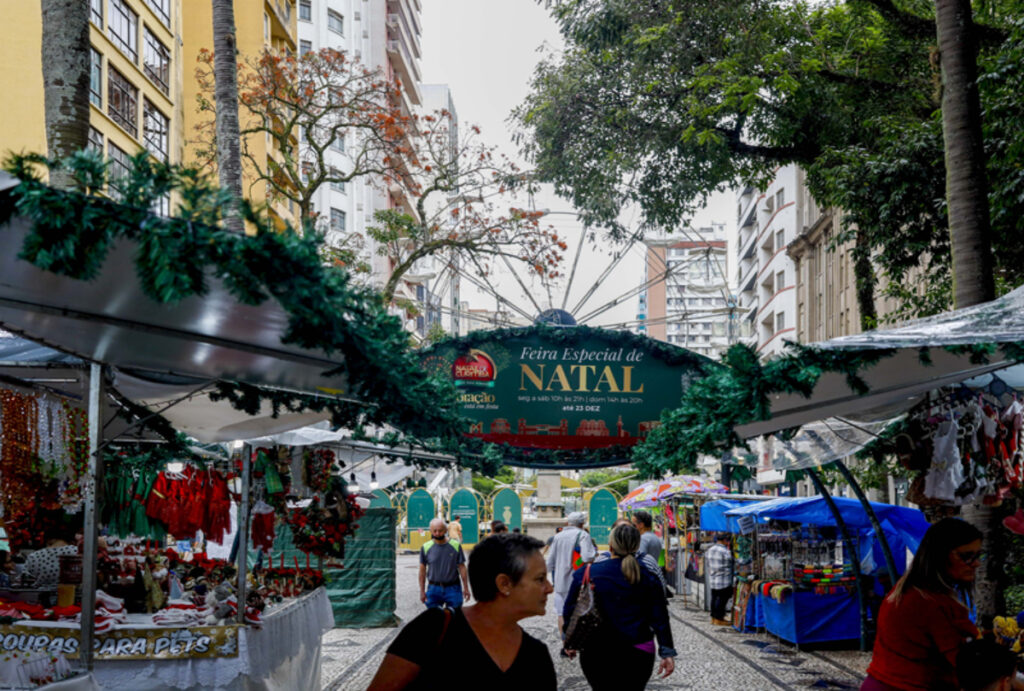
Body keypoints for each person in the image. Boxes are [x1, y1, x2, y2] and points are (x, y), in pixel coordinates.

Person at [367, 533, 557, 690]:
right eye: (540, 579)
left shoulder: (536, 654)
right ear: (504, 584)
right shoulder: (434, 628)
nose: (549, 588)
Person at [862, 517, 985, 691]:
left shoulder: (909, 589)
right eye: (966, 556)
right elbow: (972, 668)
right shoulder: (932, 603)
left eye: (978, 555)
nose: (976, 563)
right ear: (940, 556)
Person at [563, 523, 676, 690]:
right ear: (637, 546)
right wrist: (666, 651)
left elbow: (570, 610)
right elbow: (660, 617)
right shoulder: (648, 577)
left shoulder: (586, 574)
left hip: (596, 650)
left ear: (610, 546)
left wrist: (569, 641)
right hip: (639, 649)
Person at [546, 512, 596, 635]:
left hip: (560, 583)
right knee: (578, 612)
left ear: (568, 522)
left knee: (561, 613)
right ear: (582, 523)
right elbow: (587, 557)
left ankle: (564, 643)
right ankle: (575, 642)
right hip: (578, 582)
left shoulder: (558, 536)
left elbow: (550, 562)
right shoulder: (583, 535)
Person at [419, 518, 470, 609]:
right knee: (434, 619)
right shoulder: (426, 547)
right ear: (430, 530)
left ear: (446, 530)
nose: (437, 533)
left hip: (453, 588)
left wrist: (466, 588)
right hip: (433, 589)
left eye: (440, 530)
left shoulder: (455, 546)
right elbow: (422, 571)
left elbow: (462, 567)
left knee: (455, 617)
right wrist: (422, 591)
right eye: (434, 531)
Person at [705, 533, 734, 625]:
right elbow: (730, 562)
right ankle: (719, 618)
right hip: (724, 580)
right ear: (725, 540)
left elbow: (708, 564)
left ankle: (713, 618)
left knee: (714, 598)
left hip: (713, 579)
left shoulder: (710, 550)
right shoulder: (725, 551)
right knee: (722, 600)